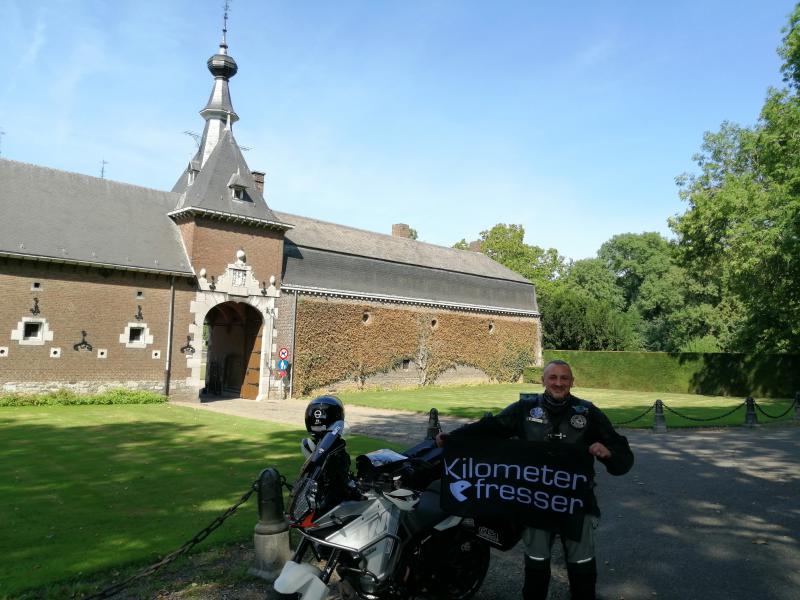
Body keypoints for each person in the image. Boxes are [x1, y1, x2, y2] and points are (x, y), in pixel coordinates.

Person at [436, 360, 633, 600]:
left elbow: (621, 452)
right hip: (535, 501)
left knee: (582, 565)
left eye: (564, 378)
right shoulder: (525, 409)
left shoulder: (587, 412)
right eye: (553, 377)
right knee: (536, 566)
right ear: (543, 380)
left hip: (577, 502)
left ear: (572, 382)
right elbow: (493, 427)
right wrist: (455, 438)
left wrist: (608, 453)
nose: (558, 383)